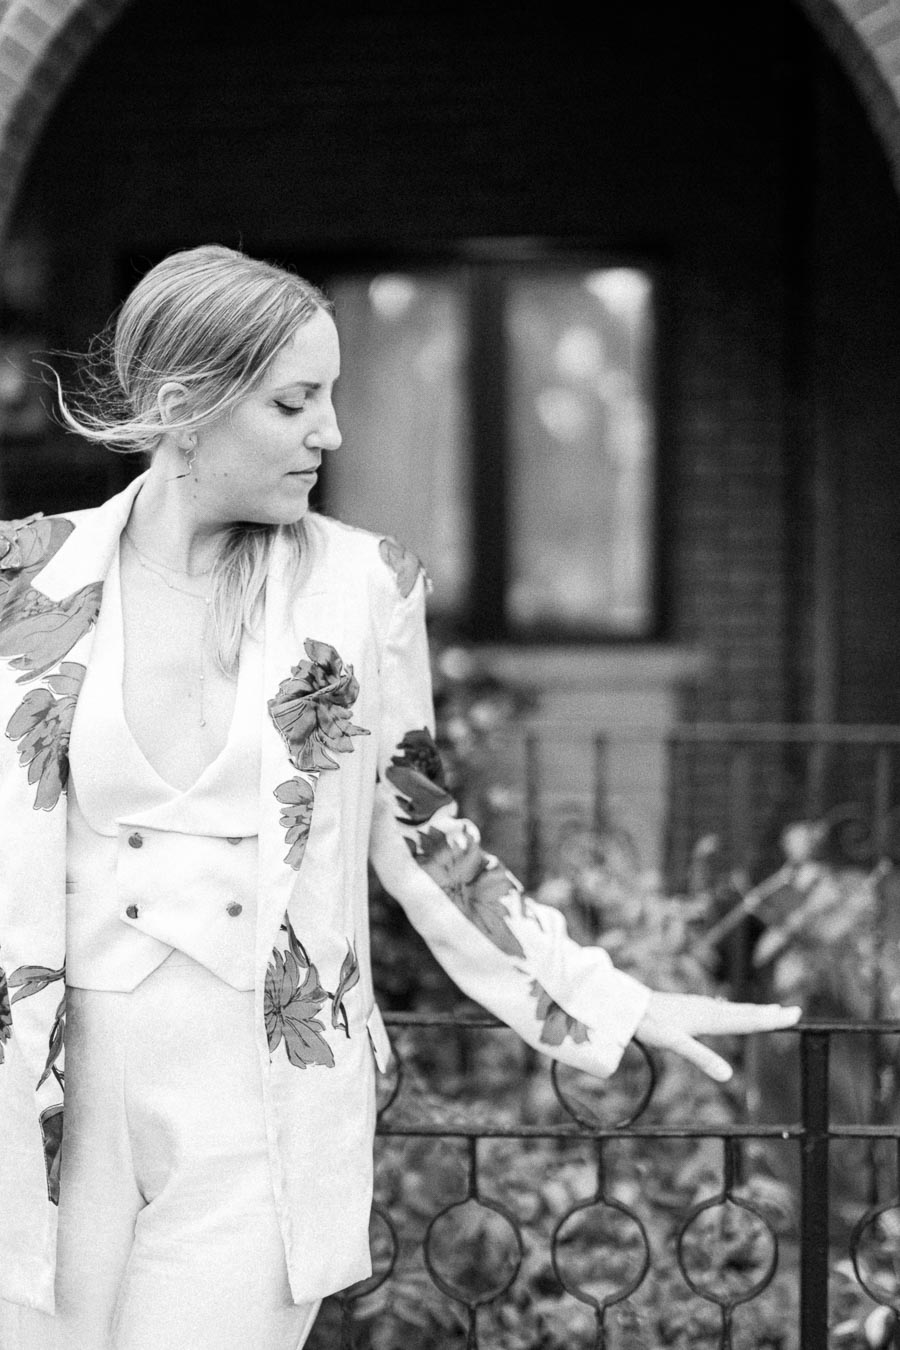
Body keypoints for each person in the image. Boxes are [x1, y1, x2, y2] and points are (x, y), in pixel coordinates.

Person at [0, 245, 801, 1350]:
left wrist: (606, 997)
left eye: (330, 396)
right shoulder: (23, 578)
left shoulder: (363, 585)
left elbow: (425, 832)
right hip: (46, 1111)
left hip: (259, 1113)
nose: (331, 432)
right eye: (295, 401)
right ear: (187, 406)